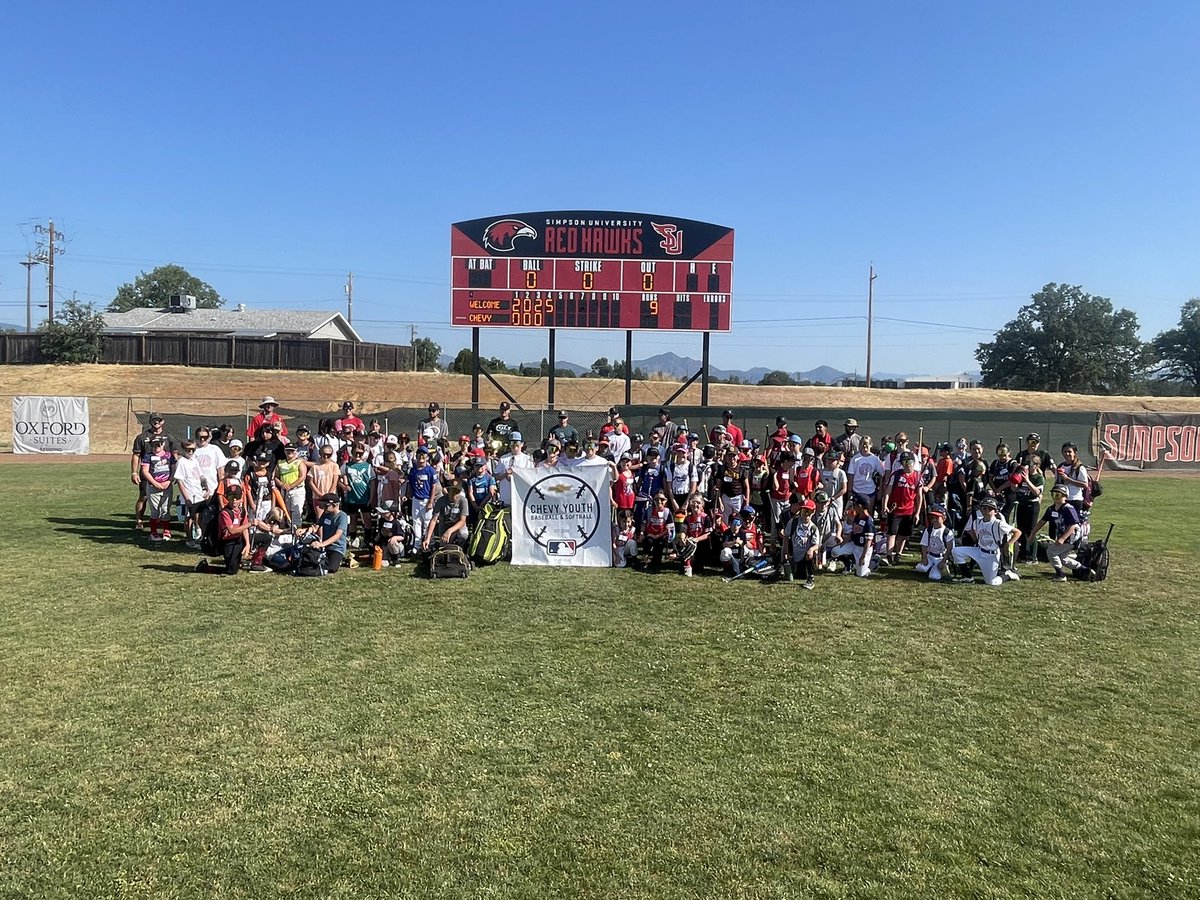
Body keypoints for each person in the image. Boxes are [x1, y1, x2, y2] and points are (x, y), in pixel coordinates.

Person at [951, 496, 1020, 586]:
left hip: (992, 555)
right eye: (984, 508)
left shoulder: (998, 523)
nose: (986, 511)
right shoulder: (978, 521)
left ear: (995, 511)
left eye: (990, 509)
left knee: (991, 582)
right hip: (979, 551)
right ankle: (967, 577)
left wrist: (1008, 543)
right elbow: (974, 533)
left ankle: (1008, 576)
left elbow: (1017, 532)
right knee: (956, 551)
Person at [1030, 484, 1091, 581]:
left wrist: (1062, 539)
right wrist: (1032, 533)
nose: (1056, 497)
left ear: (1065, 496)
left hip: (1072, 537)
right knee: (1064, 559)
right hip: (1063, 536)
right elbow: (1042, 521)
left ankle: (1061, 575)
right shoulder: (1051, 509)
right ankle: (1087, 570)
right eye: (1054, 494)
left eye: (1058, 495)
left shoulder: (1068, 509)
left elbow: (1073, 526)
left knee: (1051, 552)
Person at [130, 414, 177, 530]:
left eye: (159, 420)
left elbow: (174, 455)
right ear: (150, 421)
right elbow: (136, 455)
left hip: (164, 475)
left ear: (163, 422)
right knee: (143, 497)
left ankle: (161, 522)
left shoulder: (168, 437)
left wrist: (174, 474)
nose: (156, 422)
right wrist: (134, 472)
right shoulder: (142, 437)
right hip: (147, 474)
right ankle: (139, 520)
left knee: (165, 499)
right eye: (154, 420)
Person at [173, 439, 211, 549]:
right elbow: (179, 481)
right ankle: (189, 540)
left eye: (193, 449)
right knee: (188, 518)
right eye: (188, 449)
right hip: (189, 495)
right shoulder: (181, 462)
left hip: (199, 494)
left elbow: (201, 476)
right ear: (183, 449)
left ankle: (200, 538)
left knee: (199, 517)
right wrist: (186, 498)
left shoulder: (194, 460)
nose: (191, 452)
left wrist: (206, 488)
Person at [140, 435, 175, 542]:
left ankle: (166, 530)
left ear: (163, 444)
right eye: (153, 445)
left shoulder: (169, 456)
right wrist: (155, 483)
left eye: (158, 445)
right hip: (153, 486)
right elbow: (145, 471)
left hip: (167, 486)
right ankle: (153, 532)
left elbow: (173, 470)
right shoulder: (148, 456)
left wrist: (169, 481)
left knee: (165, 509)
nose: (156, 448)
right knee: (155, 510)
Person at [829, 497, 875, 577]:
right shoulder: (857, 517)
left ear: (860, 506)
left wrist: (863, 556)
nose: (853, 507)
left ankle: (873, 562)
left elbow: (868, 541)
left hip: (863, 548)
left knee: (860, 574)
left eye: (855, 505)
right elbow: (852, 532)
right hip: (853, 544)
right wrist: (843, 543)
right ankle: (849, 561)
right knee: (835, 551)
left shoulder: (868, 522)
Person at [783, 498, 820, 589]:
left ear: (813, 512)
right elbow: (786, 537)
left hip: (805, 556)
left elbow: (817, 544)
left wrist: (811, 550)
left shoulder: (813, 528)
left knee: (811, 554)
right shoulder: (793, 522)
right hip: (794, 555)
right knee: (797, 576)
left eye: (808, 512)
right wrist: (786, 552)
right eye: (803, 511)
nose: (805, 515)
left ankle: (810, 577)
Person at [307, 493, 349, 572]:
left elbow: (338, 535)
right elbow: (316, 527)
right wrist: (305, 530)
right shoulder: (326, 514)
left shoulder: (342, 516)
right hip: (325, 547)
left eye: (325, 506)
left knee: (331, 568)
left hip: (336, 548)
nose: (322, 508)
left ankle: (339, 560)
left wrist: (322, 544)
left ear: (334, 505)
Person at [216, 485, 253, 575]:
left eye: (237, 498)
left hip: (239, 539)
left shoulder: (242, 511)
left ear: (241, 498)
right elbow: (232, 531)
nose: (234, 501)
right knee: (231, 571)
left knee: (265, 538)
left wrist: (247, 544)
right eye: (231, 497)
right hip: (229, 541)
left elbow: (244, 528)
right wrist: (250, 524)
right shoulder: (225, 513)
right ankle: (207, 568)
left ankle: (256, 561)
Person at [914, 505, 955, 581]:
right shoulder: (928, 530)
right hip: (930, 555)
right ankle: (929, 567)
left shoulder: (947, 532)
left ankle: (942, 567)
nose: (934, 520)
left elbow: (949, 549)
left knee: (934, 577)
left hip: (940, 557)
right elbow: (924, 545)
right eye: (932, 518)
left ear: (944, 518)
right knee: (920, 568)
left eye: (937, 517)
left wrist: (943, 561)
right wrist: (924, 558)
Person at [424, 481, 470, 550]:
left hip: (458, 526)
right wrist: (428, 538)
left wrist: (449, 531)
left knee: (463, 536)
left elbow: (462, 521)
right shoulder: (440, 501)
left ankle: (462, 549)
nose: (454, 494)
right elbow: (434, 520)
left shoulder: (463, 501)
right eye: (453, 491)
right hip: (444, 526)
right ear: (448, 491)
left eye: (457, 491)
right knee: (444, 545)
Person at [676, 495, 712, 576]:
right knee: (684, 543)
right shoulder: (687, 518)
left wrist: (696, 539)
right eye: (693, 502)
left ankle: (697, 563)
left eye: (698, 502)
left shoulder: (706, 517)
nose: (695, 505)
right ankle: (687, 565)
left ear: (702, 504)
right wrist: (682, 537)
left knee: (698, 568)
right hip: (690, 541)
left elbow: (707, 534)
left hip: (701, 542)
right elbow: (683, 531)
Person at [848, 437, 884, 515]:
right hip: (857, 490)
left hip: (869, 490)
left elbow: (882, 474)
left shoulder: (875, 459)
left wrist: (880, 490)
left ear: (870, 445)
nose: (865, 447)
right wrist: (850, 491)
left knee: (868, 513)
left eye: (867, 444)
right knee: (855, 512)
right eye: (863, 444)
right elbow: (850, 475)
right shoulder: (855, 459)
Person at [274, 443, 308, 525]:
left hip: (297, 490)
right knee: (286, 512)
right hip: (285, 490)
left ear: (296, 451)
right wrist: (282, 485)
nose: (290, 452)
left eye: (292, 450)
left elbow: (302, 477)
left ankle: (297, 533)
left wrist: (291, 486)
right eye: (288, 450)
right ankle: (288, 531)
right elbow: (276, 477)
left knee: (296, 512)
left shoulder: (299, 462)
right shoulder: (280, 463)